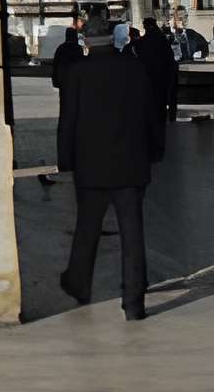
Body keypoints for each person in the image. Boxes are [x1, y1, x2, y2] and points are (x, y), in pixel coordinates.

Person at [57, 21, 163, 321]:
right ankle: (134, 301)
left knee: (87, 228)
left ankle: (78, 284)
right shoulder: (133, 68)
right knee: (132, 232)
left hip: (91, 167)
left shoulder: (78, 72)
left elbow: (69, 119)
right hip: (131, 165)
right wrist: (155, 150)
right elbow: (150, 113)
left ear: (88, 42)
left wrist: (65, 159)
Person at [136, 16, 179, 126]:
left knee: (154, 98)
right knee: (164, 97)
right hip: (164, 72)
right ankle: (168, 116)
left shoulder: (144, 41)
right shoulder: (162, 38)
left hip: (152, 73)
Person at [50, 16, 85, 99]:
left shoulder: (61, 48)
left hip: (63, 79)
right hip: (76, 80)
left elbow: (55, 65)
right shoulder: (78, 48)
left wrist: (55, 80)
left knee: (64, 100)